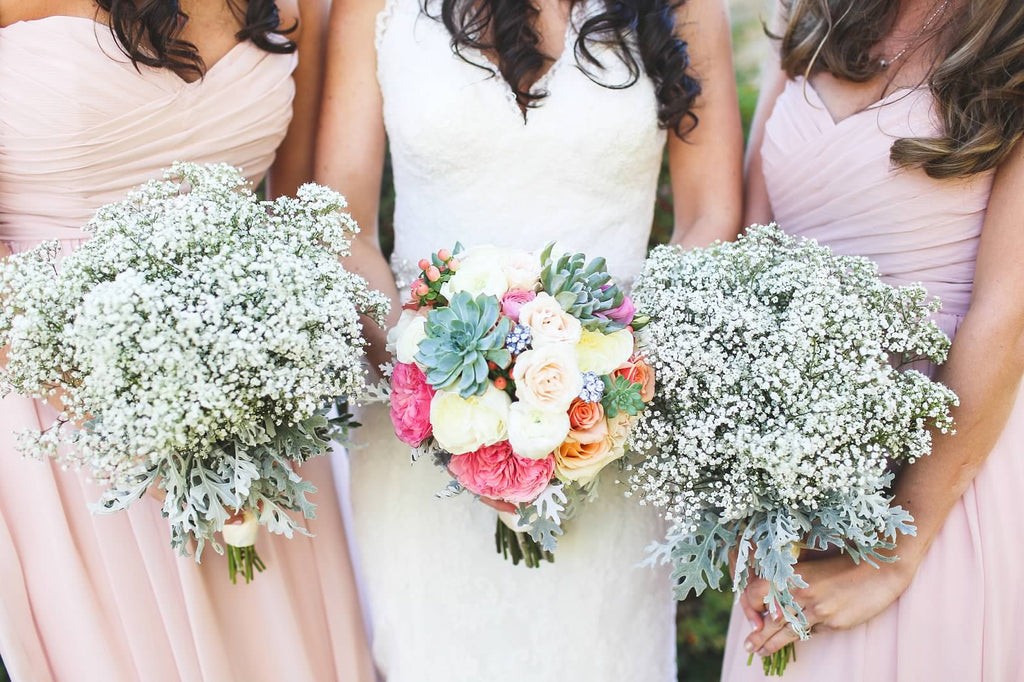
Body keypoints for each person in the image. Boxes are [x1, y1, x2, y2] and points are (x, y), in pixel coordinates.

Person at [315, 0, 743, 678]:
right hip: (419, 435)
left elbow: (709, 214)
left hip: (608, 435)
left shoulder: (685, 7)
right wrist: (430, 381)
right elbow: (343, 221)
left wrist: (608, 385)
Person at [0, 2, 374, 680]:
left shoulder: (299, 9)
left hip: (251, 419)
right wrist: (130, 420)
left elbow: (301, 222)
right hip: (54, 406)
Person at [723, 1, 1024, 680]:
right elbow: (749, 248)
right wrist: (743, 469)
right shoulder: (815, 13)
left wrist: (891, 555)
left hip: (942, 463)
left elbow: (1006, 317)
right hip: (788, 462)